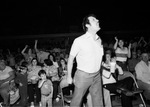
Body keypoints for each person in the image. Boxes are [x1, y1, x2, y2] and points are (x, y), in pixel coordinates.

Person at [67, 14, 104, 107]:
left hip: (97, 75)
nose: (97, 20)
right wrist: (69, 76)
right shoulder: (79, 40)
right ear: (87, 25)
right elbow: (71, 58)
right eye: (93, 19)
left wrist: (103, 64)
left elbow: (95, 57)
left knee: (98, 101)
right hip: (83, 76)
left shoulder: (99, 40)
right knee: (76, 101)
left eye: (96, 18)